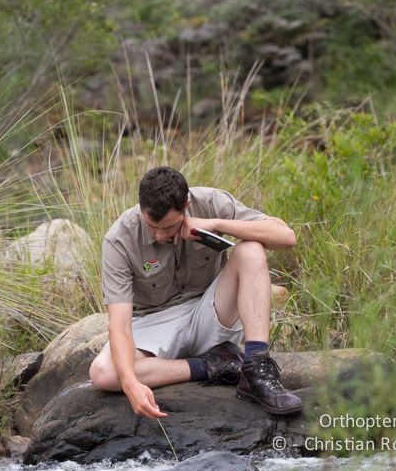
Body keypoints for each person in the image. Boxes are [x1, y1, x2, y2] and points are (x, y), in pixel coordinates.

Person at [89, 166, 303, 418]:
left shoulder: (211, 202)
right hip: (155, 323)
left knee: (250, 250)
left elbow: (285, 237)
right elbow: (120, 325)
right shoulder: (119, 239)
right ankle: (216, 364)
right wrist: (131, 384)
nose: (159, 235)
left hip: (210, 311)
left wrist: (214, 224)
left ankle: (256, 369)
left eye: (168, 227)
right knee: (104, 373)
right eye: (151, 225)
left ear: (186, 204)